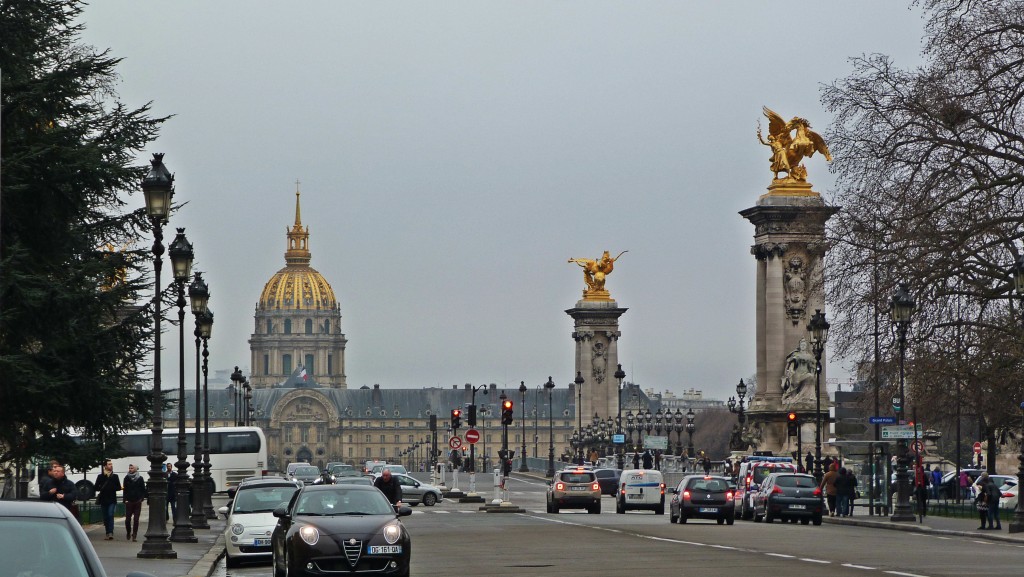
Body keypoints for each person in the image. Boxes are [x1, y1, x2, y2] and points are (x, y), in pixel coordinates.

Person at [94, 459, 122, 540]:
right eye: (109, 464)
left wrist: (111, 487)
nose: (111, 465)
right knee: (105, 517)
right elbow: (96, 487)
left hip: (112, 499)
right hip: (103, 499)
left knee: (110, 514)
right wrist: (102, 487)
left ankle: (110, 532)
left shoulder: (115, 476)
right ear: (105, 466)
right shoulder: (100, 476)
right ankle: (107, 532)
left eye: (111, 464)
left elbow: (119, 487)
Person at [122, 463, 147, 542]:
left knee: (136, 520)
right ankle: (128, 532)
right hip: (129, 501)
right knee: (127, 520)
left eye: (132, 468)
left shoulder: (140, 478)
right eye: (129, 468)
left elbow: (143, 489)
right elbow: (124, 490)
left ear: (136, 469)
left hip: (137, 501)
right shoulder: (126, 478)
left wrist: (141, 499)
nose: (130, 469)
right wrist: (125, 499)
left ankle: (134, 534)